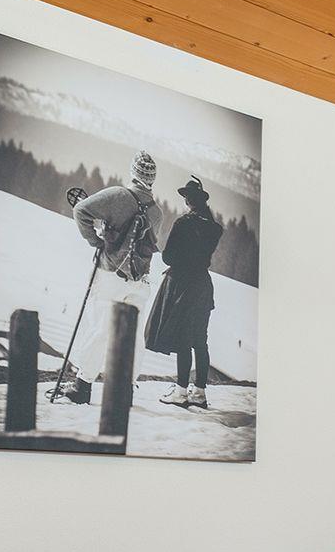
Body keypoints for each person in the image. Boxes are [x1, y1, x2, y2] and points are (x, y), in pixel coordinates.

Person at [67, 150, 160, 386]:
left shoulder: (118, 195)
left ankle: (82, 384)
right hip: (140, 280)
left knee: (100, 328)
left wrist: (96, 241)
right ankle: (125, 387)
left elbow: (80, 210)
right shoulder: (156, 212)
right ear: (151, 179)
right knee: (134, 334)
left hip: (110, 273)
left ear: (134, 173)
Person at [146, 176, 223, 409]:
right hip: (203, 285)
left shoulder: (183, 223)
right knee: (200, 340)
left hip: (182, 285)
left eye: (186, 197)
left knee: (183, 340)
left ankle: (180, 392)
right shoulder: (215, 228)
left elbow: (168, 257)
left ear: (189, 200)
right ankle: (199, 393)